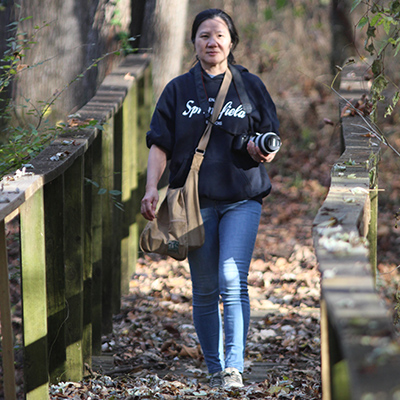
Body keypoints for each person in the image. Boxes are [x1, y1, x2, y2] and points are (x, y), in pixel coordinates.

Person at [140, 8, 280, 389]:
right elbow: (159, 143)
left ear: (231, 41)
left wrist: (261, 151)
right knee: (203, 289)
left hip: (242, 197)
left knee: (232, 279)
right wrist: (152, 187)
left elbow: (271, 137)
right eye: (204, 35)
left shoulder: (250, 86)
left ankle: (234, 365)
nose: (212, 42)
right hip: (193, 202)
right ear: (194, 42)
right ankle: (214, 367)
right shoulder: (178, 90)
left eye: (219, 35)